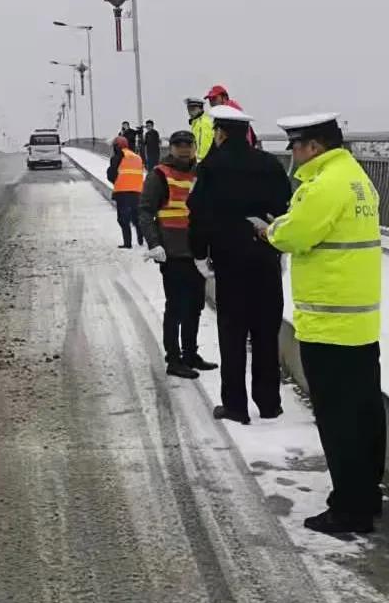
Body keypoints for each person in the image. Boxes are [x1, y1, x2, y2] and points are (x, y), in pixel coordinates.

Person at [258, 113, 384, 537]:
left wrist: (270, 231)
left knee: (338, 420)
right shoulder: (356, 177)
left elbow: (294, 236)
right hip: (359, 321)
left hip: (328, 324)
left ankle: (349, 510)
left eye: (295, 146)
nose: (292, 154)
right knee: (365, 416)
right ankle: (366, 497)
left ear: (313, 146)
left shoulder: (324, 186)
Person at [188, 105, 293, 425]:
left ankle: (235, 406)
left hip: (229, 262)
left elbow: (198, 215)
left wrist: (199, 254)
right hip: (265, 257)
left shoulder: (210, 167)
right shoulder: (269, 164)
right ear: (246, 134)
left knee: (233, 334)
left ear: (220, 133)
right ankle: (269, 403)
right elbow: (285, 209)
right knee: (265, 331)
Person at [140, 130, 213, 380]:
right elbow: (145, 211)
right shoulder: (159, 175)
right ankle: (174, 359)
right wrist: (154, 243)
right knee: (176, 308)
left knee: (195, 307)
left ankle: (190, 354)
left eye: (188, 144)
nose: (184, 149)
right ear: (170, 148)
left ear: (194, 147)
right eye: (178, 145)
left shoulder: (201, 173)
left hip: (197, 253)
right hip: (172, 253)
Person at [105, 135, 145, 248]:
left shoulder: (117, 157)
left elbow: (112, 175)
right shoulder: (137, 157)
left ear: (117, 147)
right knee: (136, 217)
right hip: (137, 191)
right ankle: (141, 239)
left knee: (123, 219)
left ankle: (127, 243)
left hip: (122, 192)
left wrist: (113, 177)